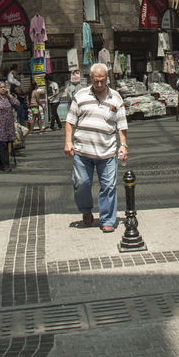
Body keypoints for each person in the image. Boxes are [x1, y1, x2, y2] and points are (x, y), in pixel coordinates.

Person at [64, 62, 129, 232]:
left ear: (107, 78)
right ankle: (86, 210)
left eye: (102, 80)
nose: (99, 84)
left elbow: (121, 125)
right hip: (82, 151)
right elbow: (70, 121)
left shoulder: (116, 98)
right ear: (90, 78)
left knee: (109, 186)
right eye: (96, 80)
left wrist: (123, 145)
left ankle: (107, 219)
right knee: (82, 183)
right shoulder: (80, 96)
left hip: (107, 151)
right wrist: (68, 142)